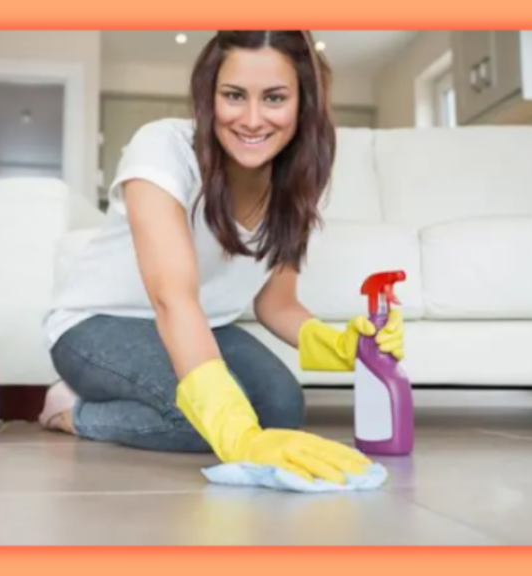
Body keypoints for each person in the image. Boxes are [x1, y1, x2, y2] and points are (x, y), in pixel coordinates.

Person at [37, 31, 405, 485]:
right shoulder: (162, 149)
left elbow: (277, 302)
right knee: (204, 419)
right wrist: (240, 439)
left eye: (274, 98)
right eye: (234, 96)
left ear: (302, 103)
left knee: (281, 408)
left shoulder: (294, 186)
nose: (252, 119)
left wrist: (340, 347)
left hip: (204, 324)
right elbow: (173, 298)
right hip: (96, 324)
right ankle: (72, 411)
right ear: (210, 97)